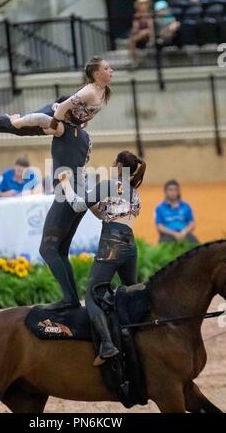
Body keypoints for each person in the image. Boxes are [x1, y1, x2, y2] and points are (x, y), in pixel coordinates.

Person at [0, 56, 114, 311]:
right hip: (78, 195)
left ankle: (70, 299)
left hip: (66, 194)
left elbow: (45, 116)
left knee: (48, 250)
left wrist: (45, 120)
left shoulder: (62, 127)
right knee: (60, 251)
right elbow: (76, 124)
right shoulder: (85, 137)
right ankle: (71, 299)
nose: (110, 71)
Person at [60, 150, 146, 365]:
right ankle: (142, 333)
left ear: (118, 165)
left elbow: (78, 206)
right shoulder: (134, 193)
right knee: (130, 290)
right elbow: (105, 213)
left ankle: (107, 345)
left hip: (111, 244)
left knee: (91, 295)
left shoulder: (108, 184)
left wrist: (65, 185)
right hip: (130, 246)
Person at [155, 179, 199, 244]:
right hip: (168, 235)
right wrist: (174, 234)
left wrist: (184, 232)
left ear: (178, 191)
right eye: (170, 190)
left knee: (198, 249)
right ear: (165, 192)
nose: (173, 192)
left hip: (184, 233)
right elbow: (159, 227)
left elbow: (192, 224)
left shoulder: (186, 206)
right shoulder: (160, 208)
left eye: (175, 190)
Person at [128, 0, 154, 65]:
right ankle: (133, 59)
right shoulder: (136, 16)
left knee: (145, 32)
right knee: (132, 39)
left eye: (145, 3)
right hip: (140, 35)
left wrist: (145, 31)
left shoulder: (151, 14)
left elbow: (151, 28)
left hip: (149, 34)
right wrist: (134, 32)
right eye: (141, 4)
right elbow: (135, 28)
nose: (143, 5)